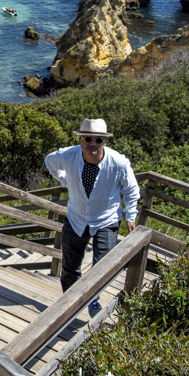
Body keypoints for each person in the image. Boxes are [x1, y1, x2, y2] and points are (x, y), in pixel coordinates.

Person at [44, 118, 139, 317]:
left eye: (99, 139)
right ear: (80, 140)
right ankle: (71, 304)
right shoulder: (68, 156)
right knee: (70, 267)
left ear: (105, 141)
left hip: (106, 219)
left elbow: (131, 190)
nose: (93, 143)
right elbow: (49, 162)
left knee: (102, 267)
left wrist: (131, 217)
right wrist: (65, 179)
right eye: (88, 138)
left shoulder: (118, 162)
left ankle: (92, 298)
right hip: (76, 217)